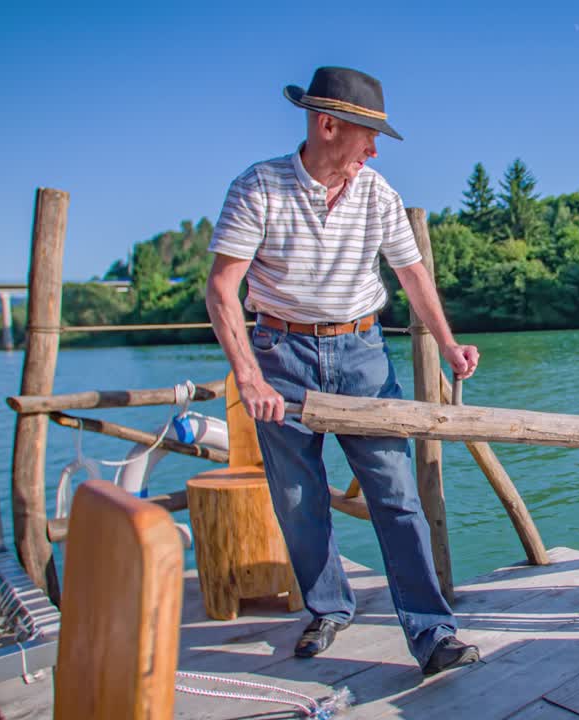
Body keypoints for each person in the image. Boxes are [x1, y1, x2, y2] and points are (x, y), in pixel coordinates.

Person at [205, 66, 481, 675]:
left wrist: (449, 343)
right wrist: (249, 378)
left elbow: (413, 278)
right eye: (367, 134)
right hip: (281, 356)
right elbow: (222, 290)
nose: (375, 148)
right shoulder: (259, 188)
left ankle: (433, 634)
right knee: (299, 501)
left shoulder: (378, 193)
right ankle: (328, 607)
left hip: (362, 355)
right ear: (327, 125)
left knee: (397, 495)